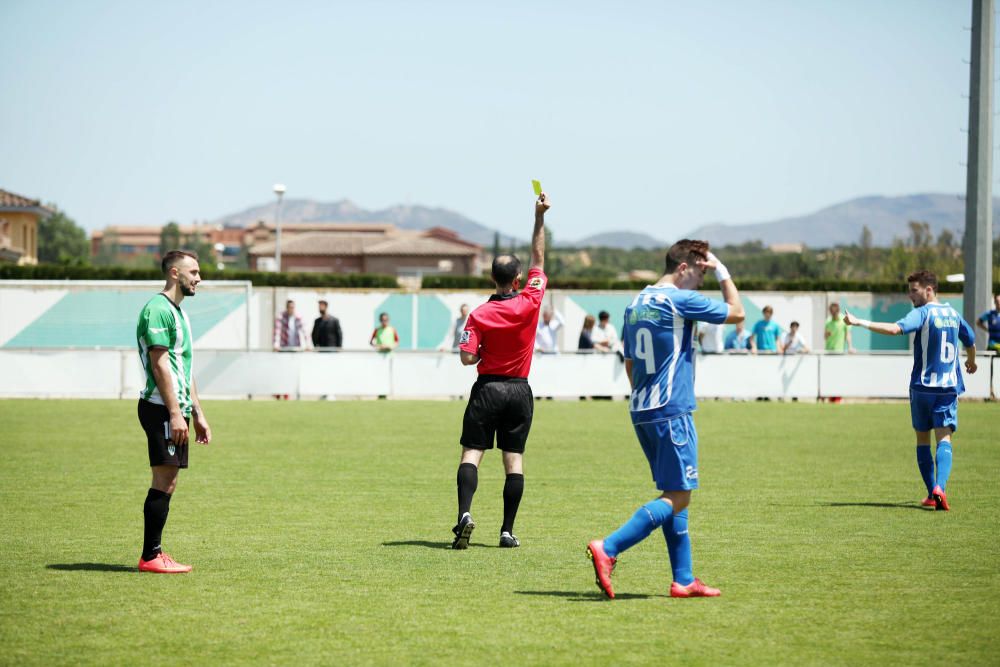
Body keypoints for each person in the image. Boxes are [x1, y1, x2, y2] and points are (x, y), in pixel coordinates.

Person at [586, 239, 744, 599]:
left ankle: (684, 579)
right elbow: (737, 312)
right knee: (679, 494)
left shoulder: (635, 303)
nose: (701, 281)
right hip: (672, 409)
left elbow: (628, 361)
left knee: (674, 491)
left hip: (642, 410)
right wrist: (723, 270)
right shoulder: (678, 299)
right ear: (684, 267)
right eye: (700, 273)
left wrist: (646, 395)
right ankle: (608, 548)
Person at [452, 191, 550, 550]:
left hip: (488, 388)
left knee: (472, 453)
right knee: (514, 461)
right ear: (519, 277)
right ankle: (507, 531)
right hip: (519, 390)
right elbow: (539, 254)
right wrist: (539, 217)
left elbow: (466, 358)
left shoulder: (478, 314)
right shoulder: (531, 300)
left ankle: (464, 515)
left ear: (492, 278)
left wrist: (480, 356)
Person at [844, 270, 977, 511]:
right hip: (947, 388)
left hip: (922, 388)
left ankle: (931, 491)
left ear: (929, 290)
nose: (910, 296)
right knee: (944, 438)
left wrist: (859, 322)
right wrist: (972, 361)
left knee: (922, 438)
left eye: (914, 291)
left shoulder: (923, 313)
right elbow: (970, 340)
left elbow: (895, 329)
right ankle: (940, 488)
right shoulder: (953, 314)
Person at [135, 250, 212, 573]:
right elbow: (161, 363)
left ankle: (154, 554)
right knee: (163, 479)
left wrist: (197, 412)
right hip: (160, 409)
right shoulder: (157, 309)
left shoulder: (178, 312)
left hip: (175, 409)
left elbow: (184, 367)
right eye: (193, 272)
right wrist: (175, 413)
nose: (199, 278)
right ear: (175, 274)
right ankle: (151, 556)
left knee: (169, 481)